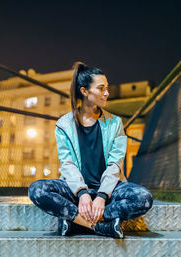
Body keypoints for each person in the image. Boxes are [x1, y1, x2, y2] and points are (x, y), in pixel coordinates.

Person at [28, 62, 153, 238]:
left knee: (144, 198)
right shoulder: (64, 125)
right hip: (75, 191)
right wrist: (83, 193)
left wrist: (101, 196)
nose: (107, 93)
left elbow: (115, 164)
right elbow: (67, 163)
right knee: (37, 190)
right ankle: (101, 227)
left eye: (107, 88)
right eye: (101, 88)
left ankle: (76, 222)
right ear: (84, 91)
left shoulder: (115, 123)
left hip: (109, 191)